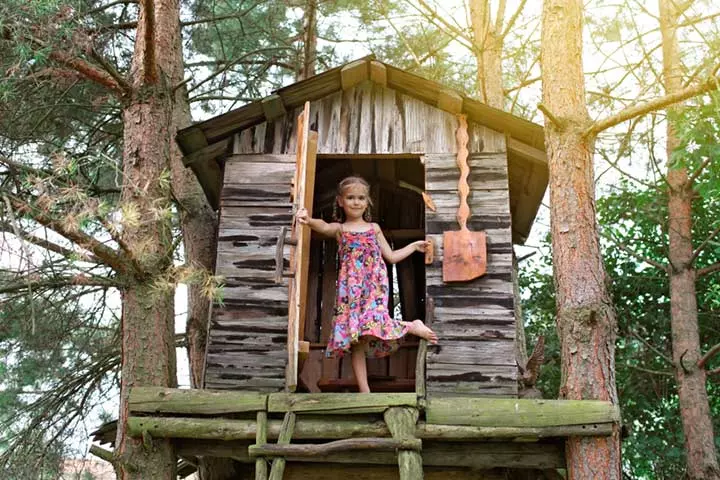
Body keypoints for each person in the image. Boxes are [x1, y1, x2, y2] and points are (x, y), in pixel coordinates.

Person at [295, 175, 438, 393]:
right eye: (350, 197)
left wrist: (412, 247)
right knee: (356, 340)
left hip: (374, 286)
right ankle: (365, 391)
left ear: (367, 202)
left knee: (374, 322)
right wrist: (307, 218)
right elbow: (323, 226)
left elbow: (390, 256)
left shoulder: (374, 228)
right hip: (350, 292)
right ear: (340, 201)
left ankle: (412, 326)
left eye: (361, 198)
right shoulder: (341, 229)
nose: (356, 202)